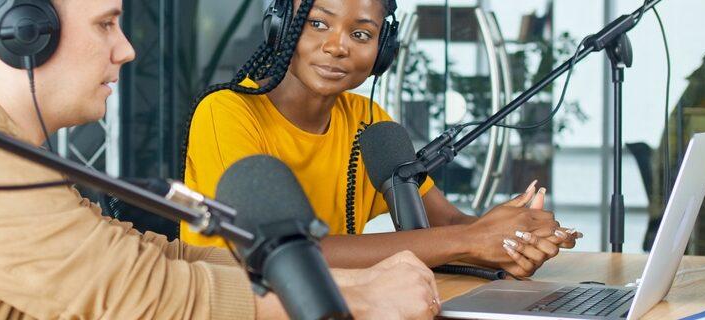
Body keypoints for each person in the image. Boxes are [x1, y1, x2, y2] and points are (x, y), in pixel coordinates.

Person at [0, 0, 442, 318]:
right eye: (107, 24)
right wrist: (358, 300)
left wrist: (351, 281)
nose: (127, 50)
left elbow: (146, 255)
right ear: (26, 32)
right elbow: (144, 297)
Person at [180, 0, 583, 277]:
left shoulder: (368, 122)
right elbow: (281, 254)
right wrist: (473, 239)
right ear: (279, 27)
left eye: (361, 34)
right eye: (317, 23)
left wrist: (513, 239)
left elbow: (444, 224)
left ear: (383, 50)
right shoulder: (226, 112)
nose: (337, 46)